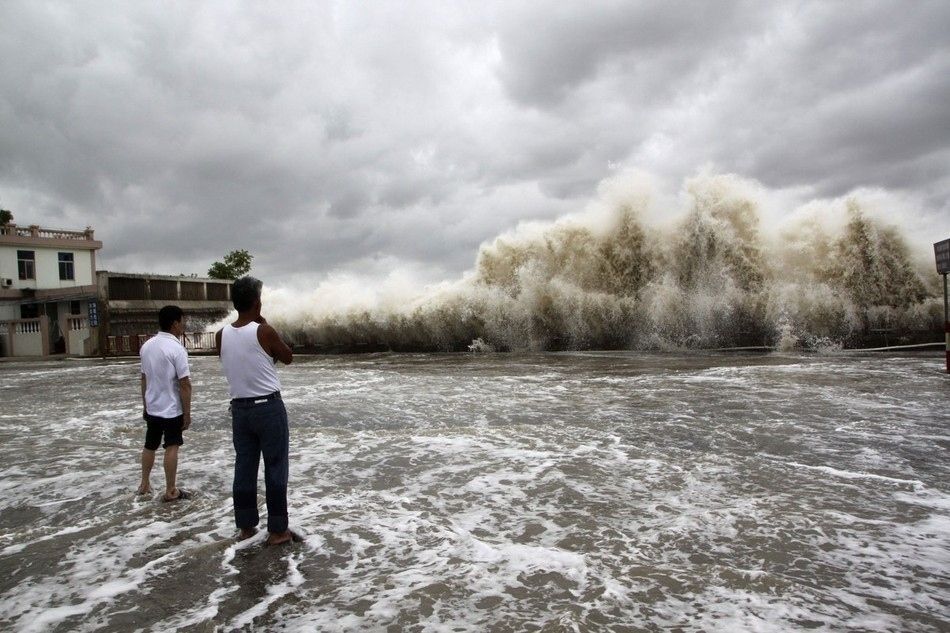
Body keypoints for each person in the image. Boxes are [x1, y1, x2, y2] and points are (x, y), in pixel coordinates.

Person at [216, 276, 295, 545]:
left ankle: (246, 526)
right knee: (275, 467)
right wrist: (266, 325)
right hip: (268, 408)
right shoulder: (264, 331)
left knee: (244, 467)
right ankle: (278, 530)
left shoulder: (221, 334)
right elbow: (287, 356)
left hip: (240, 410)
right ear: (256, 301)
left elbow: (243, 360)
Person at [138, 305, 192, 501]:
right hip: (171, 409)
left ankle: (144, 484)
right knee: (172, 446)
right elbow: (184, 384)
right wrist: (187, 413)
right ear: (175, 323)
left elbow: (144, 379)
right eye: (182, 322)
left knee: (149, 445)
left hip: (152, 406)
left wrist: (145, 404)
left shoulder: (147, 346)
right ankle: (170, 490)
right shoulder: (177, 349)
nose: (183, 326)